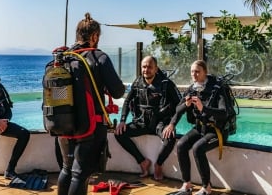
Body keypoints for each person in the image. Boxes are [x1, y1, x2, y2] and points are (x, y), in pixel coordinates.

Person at [56, 12, 125, 195]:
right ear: (94, 36)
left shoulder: (64, 57)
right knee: (80, 174)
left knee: (66, 168)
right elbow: (118, 91)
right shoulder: (99, 57)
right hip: (90, 126)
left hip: (63, 123)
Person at [164, 60, 228, 195]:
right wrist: (173, 123)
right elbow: (178, 109)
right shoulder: (192, 88)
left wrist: (203, 108)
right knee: (181, 145)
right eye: (192, 71)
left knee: (198, 148)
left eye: (197, 71)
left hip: (216, 131)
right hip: (200, 128)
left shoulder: (217, 89)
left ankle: (207, 187)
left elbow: (224, 112)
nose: (194, 74)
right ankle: (186, 184)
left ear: (205, 72)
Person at [114, 55, 181, 180]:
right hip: (141, 123)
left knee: (170, 137)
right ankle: (143, 162)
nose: (146, 70)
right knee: (119, 133)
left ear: (156, 69)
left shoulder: (166, 84)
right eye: (144, 67)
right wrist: (122, 120)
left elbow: (179, 106)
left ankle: (158, 164)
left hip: (159, 124)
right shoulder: (138, 82)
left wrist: (172, 124)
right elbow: (127, 101)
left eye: (150, 67)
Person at [0, 57, 30, 188]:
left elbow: (8, 109)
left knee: (24, 133)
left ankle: (10, 170)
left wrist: (4, 121)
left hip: (0, 123)